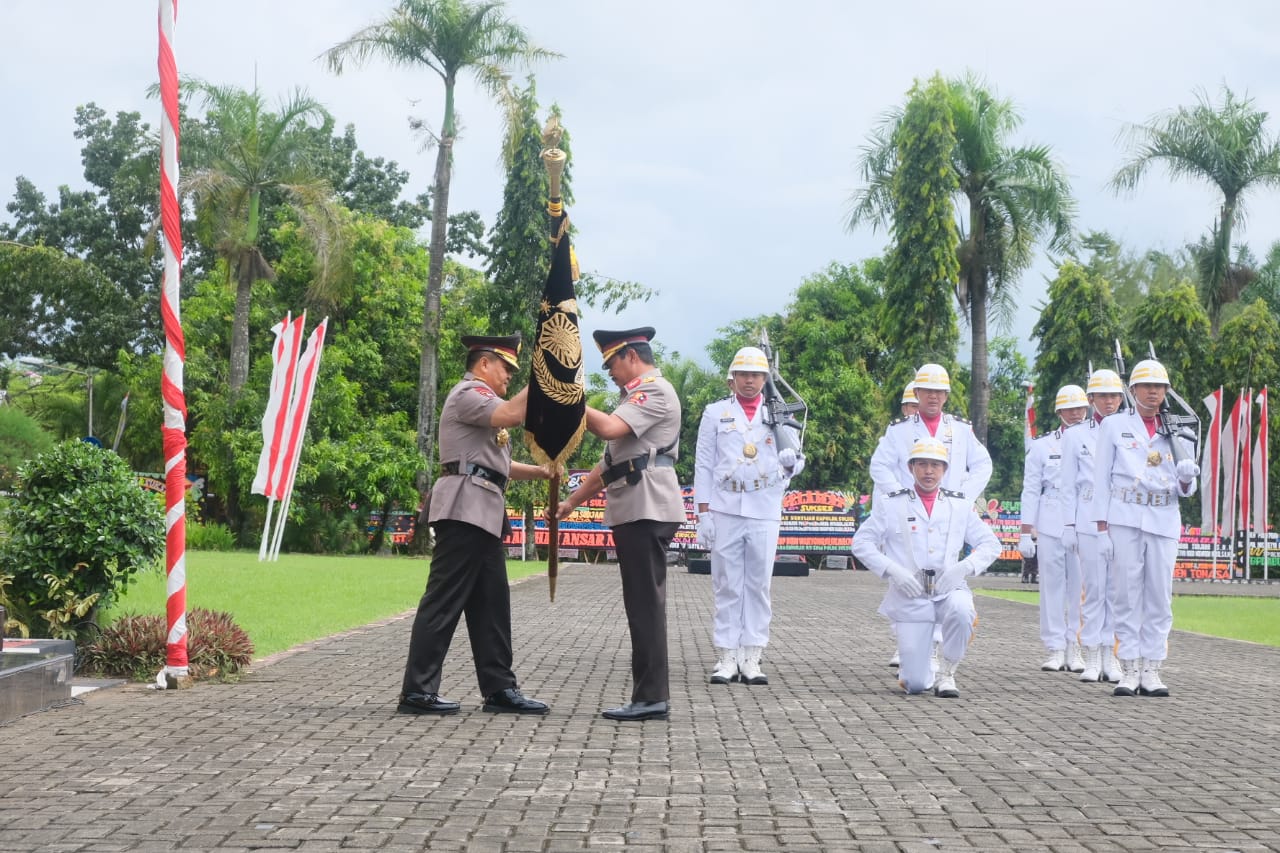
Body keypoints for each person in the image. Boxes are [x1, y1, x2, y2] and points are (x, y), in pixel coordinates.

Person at [398, 333, 556, 716]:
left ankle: (500, 688)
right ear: (483, 364)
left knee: (491, 606)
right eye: (505, 368)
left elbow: (497, 465)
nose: (508, 378)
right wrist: (546, 376)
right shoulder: (469, 394)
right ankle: (417, 692)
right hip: (465, 507)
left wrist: (541, 470)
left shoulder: (485, 403)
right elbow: (512, 415)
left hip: (483, 510)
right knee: (443, 600)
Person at [555, 327, 686, 721]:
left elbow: (609, 430)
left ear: (631, 356)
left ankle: (651, 698)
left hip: (648, 506)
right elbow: (608, 464)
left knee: (645, 606)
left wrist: (568, 397)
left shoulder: (654, 392)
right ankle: (648, 695)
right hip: (636, 504)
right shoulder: (633, 398)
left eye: (611, 362)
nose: (609, 372)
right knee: (641, 605)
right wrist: (572, 503)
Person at [852, 437, 1002, 697]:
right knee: (916, 684)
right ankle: (921, 668)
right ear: (911, 468)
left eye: (935, 465)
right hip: (910, 595)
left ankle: (948, 673)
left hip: (947, 588)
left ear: (945, 470)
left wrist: (964, 568)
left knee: (962, 609)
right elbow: (861, 543)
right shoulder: (891, 504)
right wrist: (893, 571)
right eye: (922, 464)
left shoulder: (959, 505)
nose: (929, 471)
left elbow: (991, 545)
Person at [693, 345, 805, 686]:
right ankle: (726, 655)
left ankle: (752, 654)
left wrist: (791, 463)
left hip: (765, 507)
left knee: (758, 585)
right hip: (726, 507)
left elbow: (796, 461)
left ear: (765, 379)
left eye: (756, 375)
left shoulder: (780, 412)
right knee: (727, 583)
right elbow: (704, 465)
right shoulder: (715, 413)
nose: (749, 381)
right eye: (743, 374)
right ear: (732, 379)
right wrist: (703, 513)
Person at [869, 363, 992, 668]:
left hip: (947, 515)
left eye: (939, 392)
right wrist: (900, 496)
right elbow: (879, 466)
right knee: (905, 579)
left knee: (944, 578)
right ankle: (907, 642)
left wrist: (963, 498)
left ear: (946, 395)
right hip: (910, 513)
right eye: (927, 391)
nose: (933, 397)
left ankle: (935, 647)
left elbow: (983, 465)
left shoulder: (961, 430)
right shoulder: (899, 431)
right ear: (917, 393)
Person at [1092, 359, 1198, 697]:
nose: (1153, 392)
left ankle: (1152, 667)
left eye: (1159, 386)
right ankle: (1129, 666)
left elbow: (1188, 489)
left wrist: (1185, 477)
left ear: (1166, 391)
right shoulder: (1113, 426)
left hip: (1164, 517)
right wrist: (1100, 528)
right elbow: (1101, 478)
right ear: (1133, 390)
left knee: (1159, 596)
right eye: (1146, 386)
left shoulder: (1182, 429)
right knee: (1126, 593)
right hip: (1124, 516)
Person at [1058, 369, 1126, 682]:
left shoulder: (1128, 430)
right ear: (1091, 399)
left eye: (1114, 396)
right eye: (1103, 396)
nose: (1109, 401)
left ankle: (1112, 657)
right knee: (1095, 589)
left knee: (1117, 590)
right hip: (1087, 517)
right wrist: (1069, 525)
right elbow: (1068, 484)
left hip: (1122, 517)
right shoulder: (1075, 435)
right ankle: (1093, 655)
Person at [1020, 384, 1089, 673]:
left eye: (1080, 408)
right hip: (1050, 520)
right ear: (1059, 412)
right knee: (1051, 587)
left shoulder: (1095, 441)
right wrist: (1025, 531)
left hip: (1083, 520)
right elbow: (1031, 490)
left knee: (1080, 587)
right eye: (1070, 409)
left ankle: (1075, 647)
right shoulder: (1042, 446)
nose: (1075, 414)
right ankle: (1054, 648)